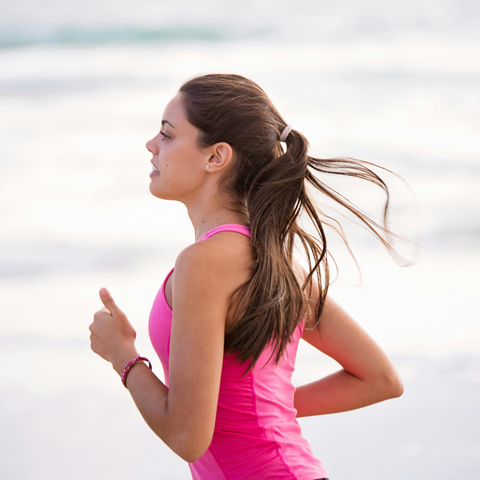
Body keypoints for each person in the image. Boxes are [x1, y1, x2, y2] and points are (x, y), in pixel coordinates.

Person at [89, 73, 406, 479]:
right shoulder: (271, 259)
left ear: (215, 157)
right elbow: (379, 379)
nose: (151, 145)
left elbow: (187, 436)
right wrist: (265, 412)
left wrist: (123, 356)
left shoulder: (203, 263)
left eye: (167, 135)